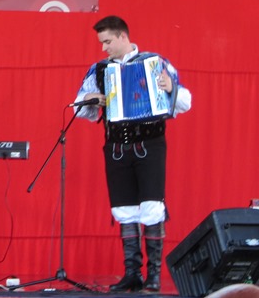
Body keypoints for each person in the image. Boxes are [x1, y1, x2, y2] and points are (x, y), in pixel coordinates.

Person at [74, 15, 191, 292]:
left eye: (107, 41)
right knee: (124, 209)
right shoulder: (100, 70)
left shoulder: (155, 62)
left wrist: (170, 88)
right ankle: (132, 273)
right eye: (102, 43)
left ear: (123, 36)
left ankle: (153, 275)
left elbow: (185, 101)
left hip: (150, 145)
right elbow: (80, 107)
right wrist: (89, 100)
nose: (103, 48)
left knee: (151, 207)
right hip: (116, 148)